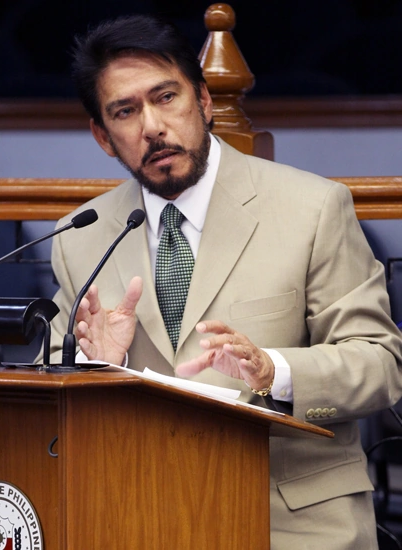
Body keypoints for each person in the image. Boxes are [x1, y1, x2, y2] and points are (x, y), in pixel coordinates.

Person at [40, 13, 402, 549]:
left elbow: (380, 364)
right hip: (140, 519)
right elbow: (50, 388)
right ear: (103, 136)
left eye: (166, 97)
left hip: (287, 524)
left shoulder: (313, 207)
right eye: (125, 111)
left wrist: (272, 371)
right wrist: (99, 368)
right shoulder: (82, 234)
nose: (152, 127)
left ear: (204, 101)